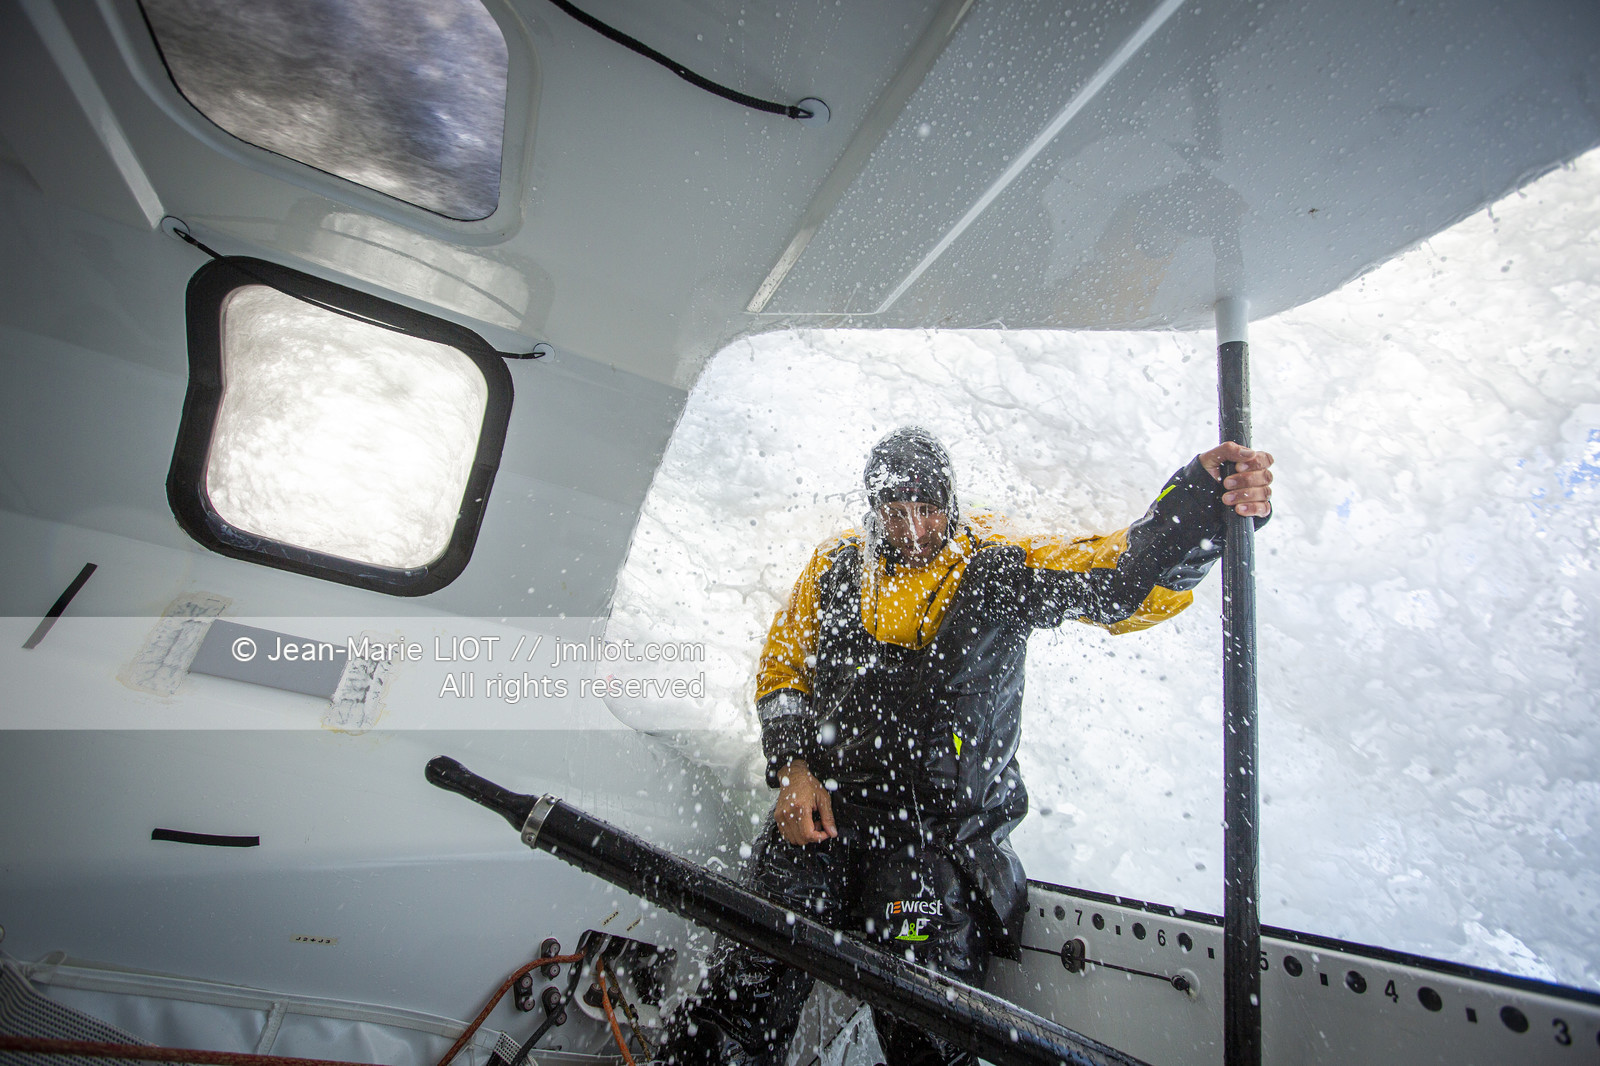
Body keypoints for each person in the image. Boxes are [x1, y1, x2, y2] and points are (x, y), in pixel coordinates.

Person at [658, 426, 1274, 1066]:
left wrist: (1203, 501)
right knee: (739, 992)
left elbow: (1118, 584)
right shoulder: (835, 565)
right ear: (874, 512)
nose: (915, 529)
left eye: (927, 511)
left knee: (928, 1029)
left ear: (949, 504)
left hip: (931, 849)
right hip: (823, 824)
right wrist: (792, 771)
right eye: (896, 514)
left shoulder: (1000, 567)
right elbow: (782, 674)